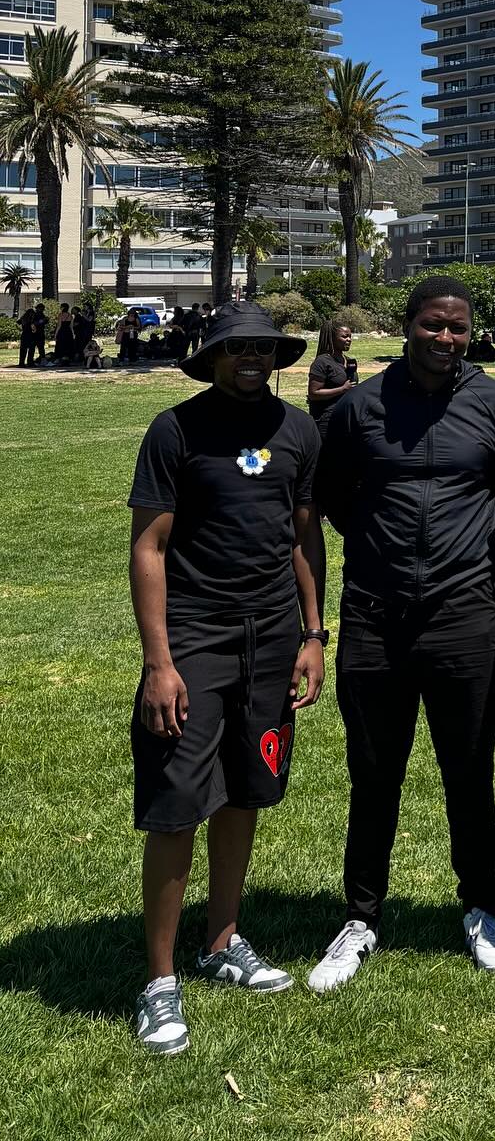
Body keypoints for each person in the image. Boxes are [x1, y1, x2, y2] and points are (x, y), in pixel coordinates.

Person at [308, 276, 495, 993]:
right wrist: (379, 543)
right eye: (433, 325)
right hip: (375, 616)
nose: (446, 338)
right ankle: (360, 918)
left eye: (458, 328)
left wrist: (478, 547)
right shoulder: (361, 408)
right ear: (407, 326)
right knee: (374, 773)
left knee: (469, 771)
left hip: (464, 616)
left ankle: (481, 909)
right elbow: (330, 497)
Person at [127, 301, 326, 1055]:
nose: (251, 359)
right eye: (236, 348)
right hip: (196, 637)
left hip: (273, 637)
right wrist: (160, 662)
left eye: (263, 349)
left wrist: (312, 634)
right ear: (211, 355)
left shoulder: (299, 431)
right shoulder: (175, 430)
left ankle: (223, 940)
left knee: (246, 788)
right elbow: (150, 548)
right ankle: (159, 981)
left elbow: (304, 536)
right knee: (179, 801)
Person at [307, 320, 356, 440]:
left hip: (346, 417)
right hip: (326, 420)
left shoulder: (349, 361)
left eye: (350, 336)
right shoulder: (322, 362)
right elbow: (314, 393)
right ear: (332, 338)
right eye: (344, 336)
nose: (349, 339)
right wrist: (342, 389)